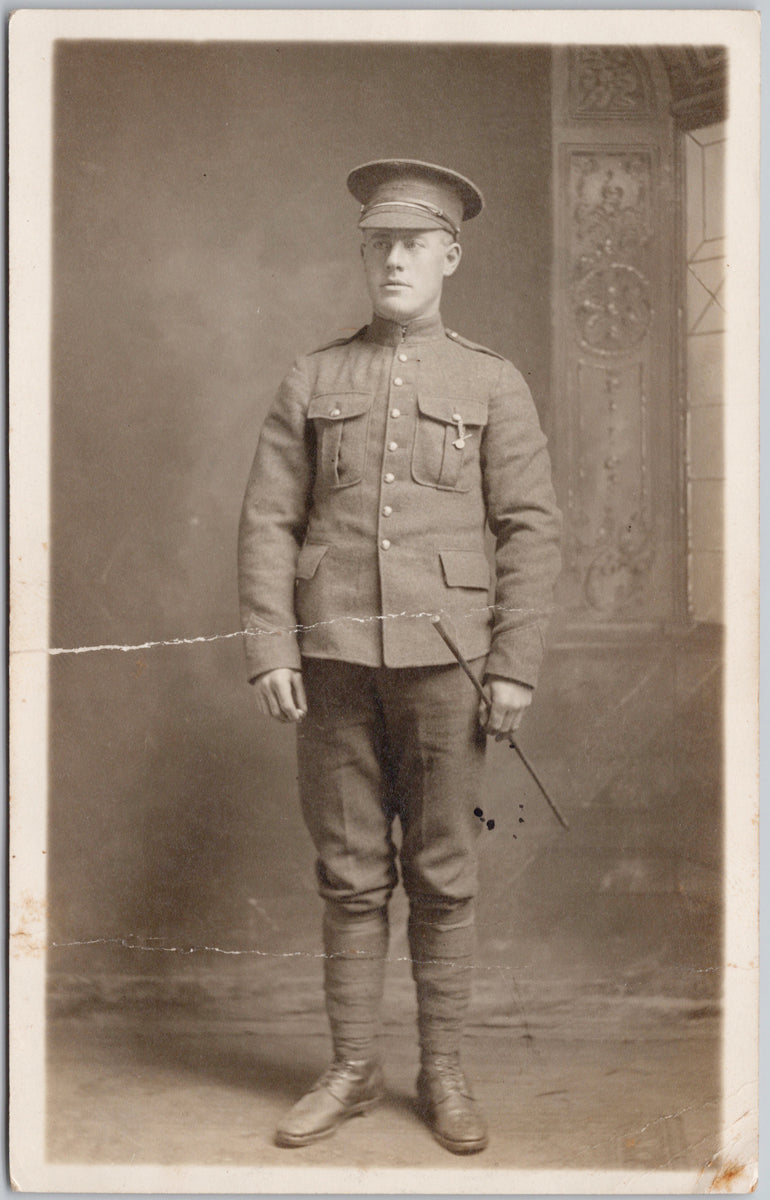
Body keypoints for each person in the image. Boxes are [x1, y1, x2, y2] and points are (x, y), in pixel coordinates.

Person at [238, 159, 561, 1154]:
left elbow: (530, 530)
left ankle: (444, 1072)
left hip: (446, 669)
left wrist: (512, 663)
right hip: (332, 659)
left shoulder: (489, 381)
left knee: (443, 875)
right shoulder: (313, 377)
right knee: (345, 875)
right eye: (378, 244)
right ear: (362, 254)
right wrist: (267, 644)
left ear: (448, 257)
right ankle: (351, 1068)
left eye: (413, 245)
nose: (393, 260)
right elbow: (266, 521)